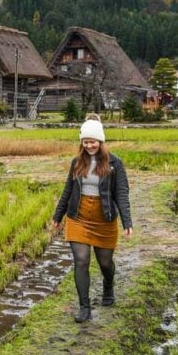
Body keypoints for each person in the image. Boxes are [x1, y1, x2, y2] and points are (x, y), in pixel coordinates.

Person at [52, 114, 133, 322]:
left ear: (101, 141)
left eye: (93, 141)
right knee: (81, 260)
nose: (89, 145)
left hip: (104, 218)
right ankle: (84, 307)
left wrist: (127, 222)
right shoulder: (77, 162)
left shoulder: (115, 163)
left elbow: (121, 194)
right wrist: (57, 216)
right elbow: (68, 190)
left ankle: (108, 286)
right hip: (78, 217)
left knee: (105, 263)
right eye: (86, 142)